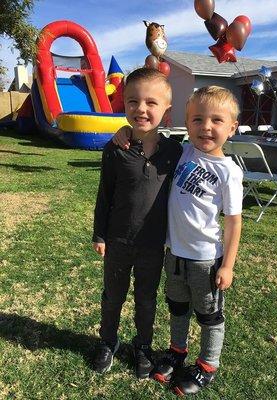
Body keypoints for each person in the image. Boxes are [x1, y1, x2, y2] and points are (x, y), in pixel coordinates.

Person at [113, 85, 243, 396]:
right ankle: (177, 352)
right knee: (177, 307)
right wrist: (124, 129)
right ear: (186, 122)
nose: (206, 127)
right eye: (197, 119)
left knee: (209, 314)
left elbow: (234, 222)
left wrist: (228, 265)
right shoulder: (183, 150)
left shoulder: (229, 172)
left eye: (216, 121)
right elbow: (147, 134)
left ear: (232, 127)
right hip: (174, 253)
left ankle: (208, 365)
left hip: (206, 259)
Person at [92, 67, 182, 379]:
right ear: (124, 105)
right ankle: (108, 341)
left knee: (146, 298)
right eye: (133, 101)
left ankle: (143, 345)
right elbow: (104, 195)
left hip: (153, 244)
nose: (141, 109)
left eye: (151, 103)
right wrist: (99, 234)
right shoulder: (115, 149)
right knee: (112, 296)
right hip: (118, 240)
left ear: (166, 111)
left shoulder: (175, 152)